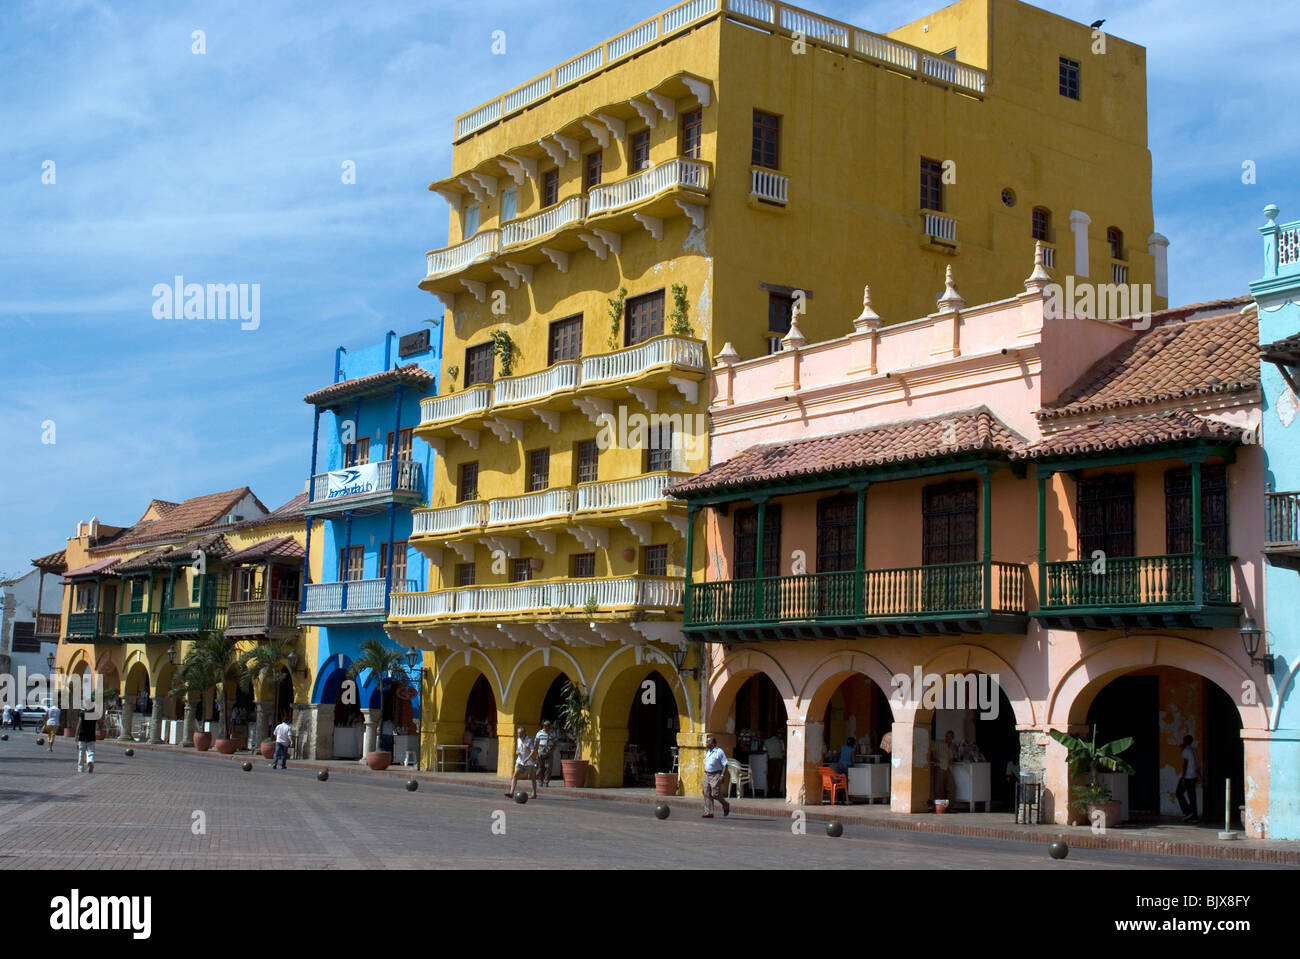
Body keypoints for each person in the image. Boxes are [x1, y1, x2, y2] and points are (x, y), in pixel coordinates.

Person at [702, 736, 731, 818]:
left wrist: (722, 775)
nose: (707, 743)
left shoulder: (719, 751)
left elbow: (725, 764)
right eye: (707, 742)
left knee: (715, 794)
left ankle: (725, 804)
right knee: (706, 792)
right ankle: (709, 812)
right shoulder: (708, 752)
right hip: (707, 774)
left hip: (716, 774)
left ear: (714, 743)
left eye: (709, 742)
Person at [506, 726, 538, 799]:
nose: (519, 735)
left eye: (520, 733)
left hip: (529, 762)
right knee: (515, 775)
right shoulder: (518, 740)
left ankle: (534, 793)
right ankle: (511, 792)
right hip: (520, 761)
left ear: (524, 733)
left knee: (532, 777)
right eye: (518, 733)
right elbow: (518, 749)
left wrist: (527, 758)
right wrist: (517, 752)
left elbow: (533, 751)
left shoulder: (529, 740)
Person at [1177, 734, 1200, 823]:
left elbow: (1185, 764)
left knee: (1179, 792)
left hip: (1188, 776)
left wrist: (1182, 777)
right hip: (1194, 775)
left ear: (1186, 741)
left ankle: (1188, 812)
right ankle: (1194, 815)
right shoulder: (1194, 750)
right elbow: (1196, 764)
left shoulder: (1186, 750)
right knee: (1192, 796)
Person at [930, 730, 957, 805]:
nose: (947, 738)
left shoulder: (953, 746)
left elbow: (955, 756)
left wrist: (953, 759)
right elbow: (930, 750)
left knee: (952, 787)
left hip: (948, 769)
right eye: (946, 736)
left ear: (952, 738)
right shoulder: (939, 743)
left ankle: (949, 806)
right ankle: (939, 806)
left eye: (950, 736)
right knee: (939, 789)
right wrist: (933, 758)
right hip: (940, 767)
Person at [534, 720, 557, 788]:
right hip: (540, 751)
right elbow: (536, 742)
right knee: (540, 767)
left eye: (547, 726)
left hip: (549, 751)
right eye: (545, 726)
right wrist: (536, 751)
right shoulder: (539, 733)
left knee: (548, 767)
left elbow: (555, 743)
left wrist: (552, 750)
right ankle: (539, 781)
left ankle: (546, 781)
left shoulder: (552, 733)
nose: (546, 727)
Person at [76, 709, 97, 774]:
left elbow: (79, 724)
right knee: (90, 751)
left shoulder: (82, 714)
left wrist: (76, 735)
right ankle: (90, 761)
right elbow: (99, 724)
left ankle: (81, 768)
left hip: (82, 735)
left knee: (81, 752)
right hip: (91, 736)